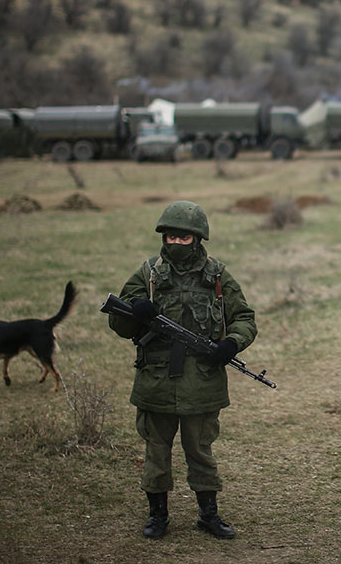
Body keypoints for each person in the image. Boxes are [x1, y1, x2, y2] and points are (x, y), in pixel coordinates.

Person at [108, 200, 257, 540]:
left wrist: (231, 344)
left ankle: (208, 514)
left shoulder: (217, 276)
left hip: (202, 383)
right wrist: (135, 312)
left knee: (201, 452)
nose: (175, 244)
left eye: (183, 239)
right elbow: (118, 322)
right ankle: (157, 516)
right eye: (170, 238)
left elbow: (244, 318)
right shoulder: (148, 273)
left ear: (198, 239)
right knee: (156, 452)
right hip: (156, 381)